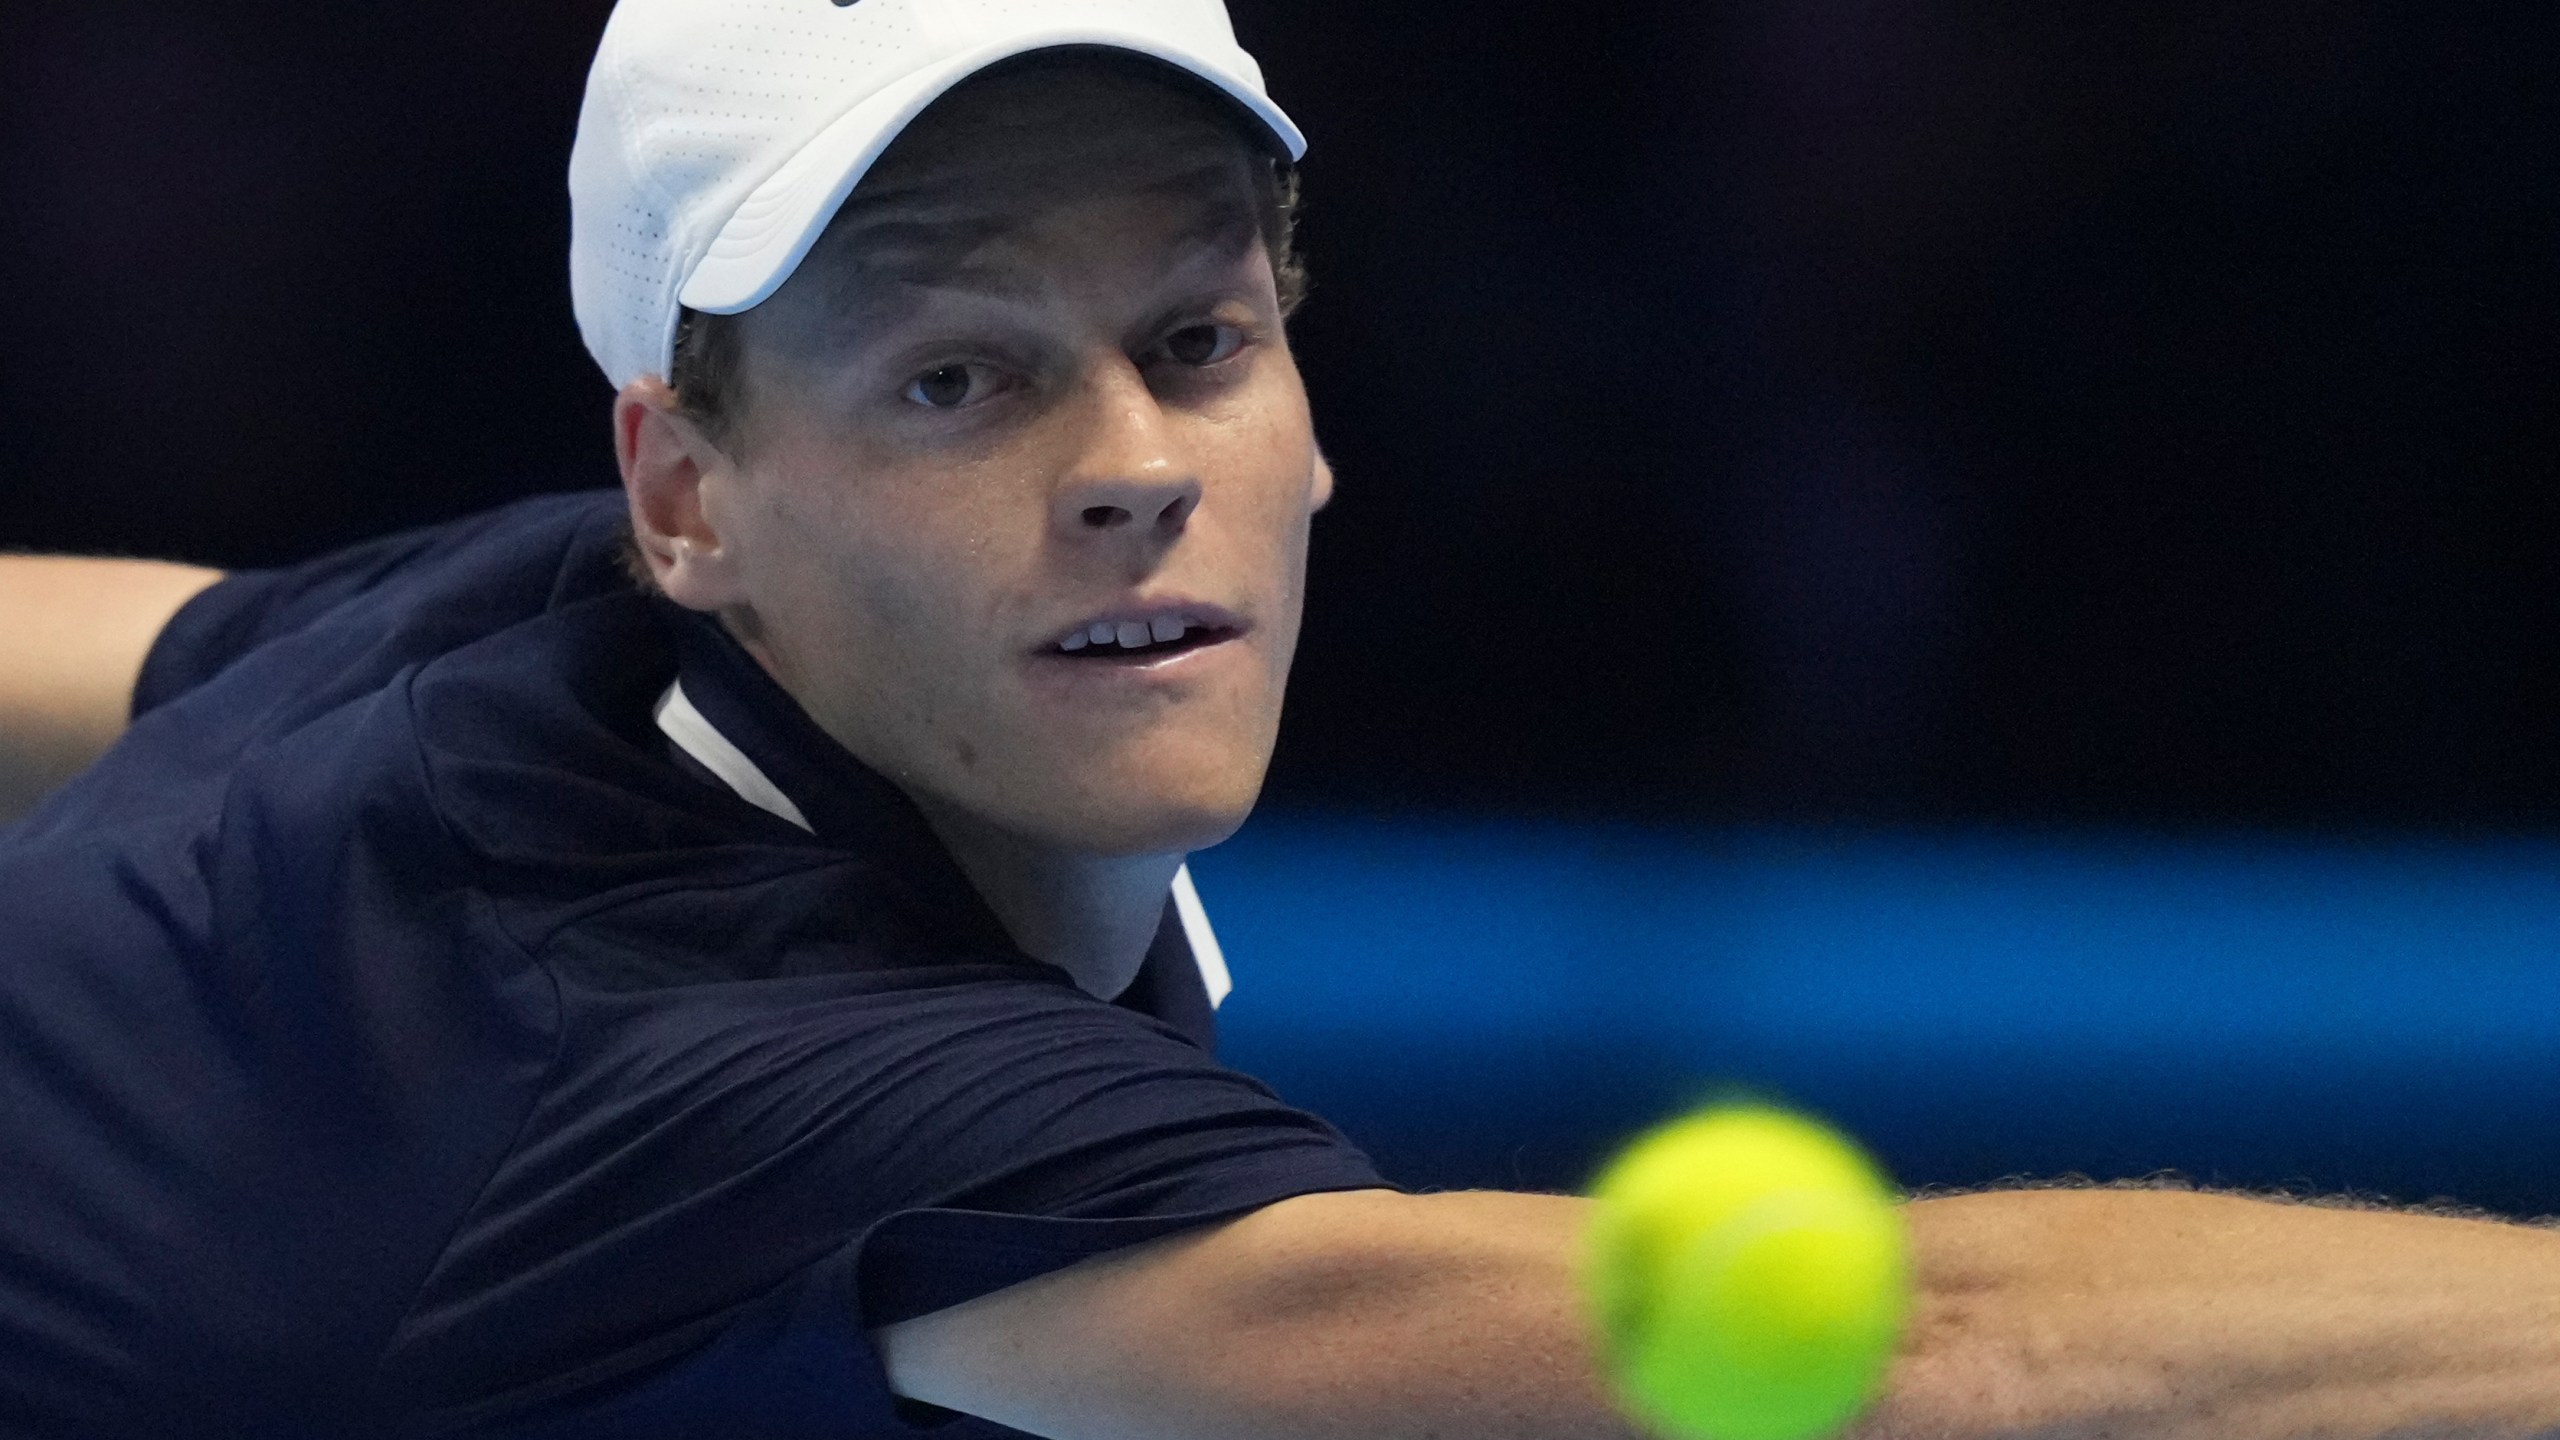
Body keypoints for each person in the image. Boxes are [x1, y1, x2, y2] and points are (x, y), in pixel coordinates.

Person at [4, 2, 2559, 1437]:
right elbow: (1958, 1361)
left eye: (1197, 339)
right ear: (691, 492)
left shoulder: (491, 634)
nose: (1130, 469)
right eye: (956, 380)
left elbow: (83, 653)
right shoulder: (770, 1086)